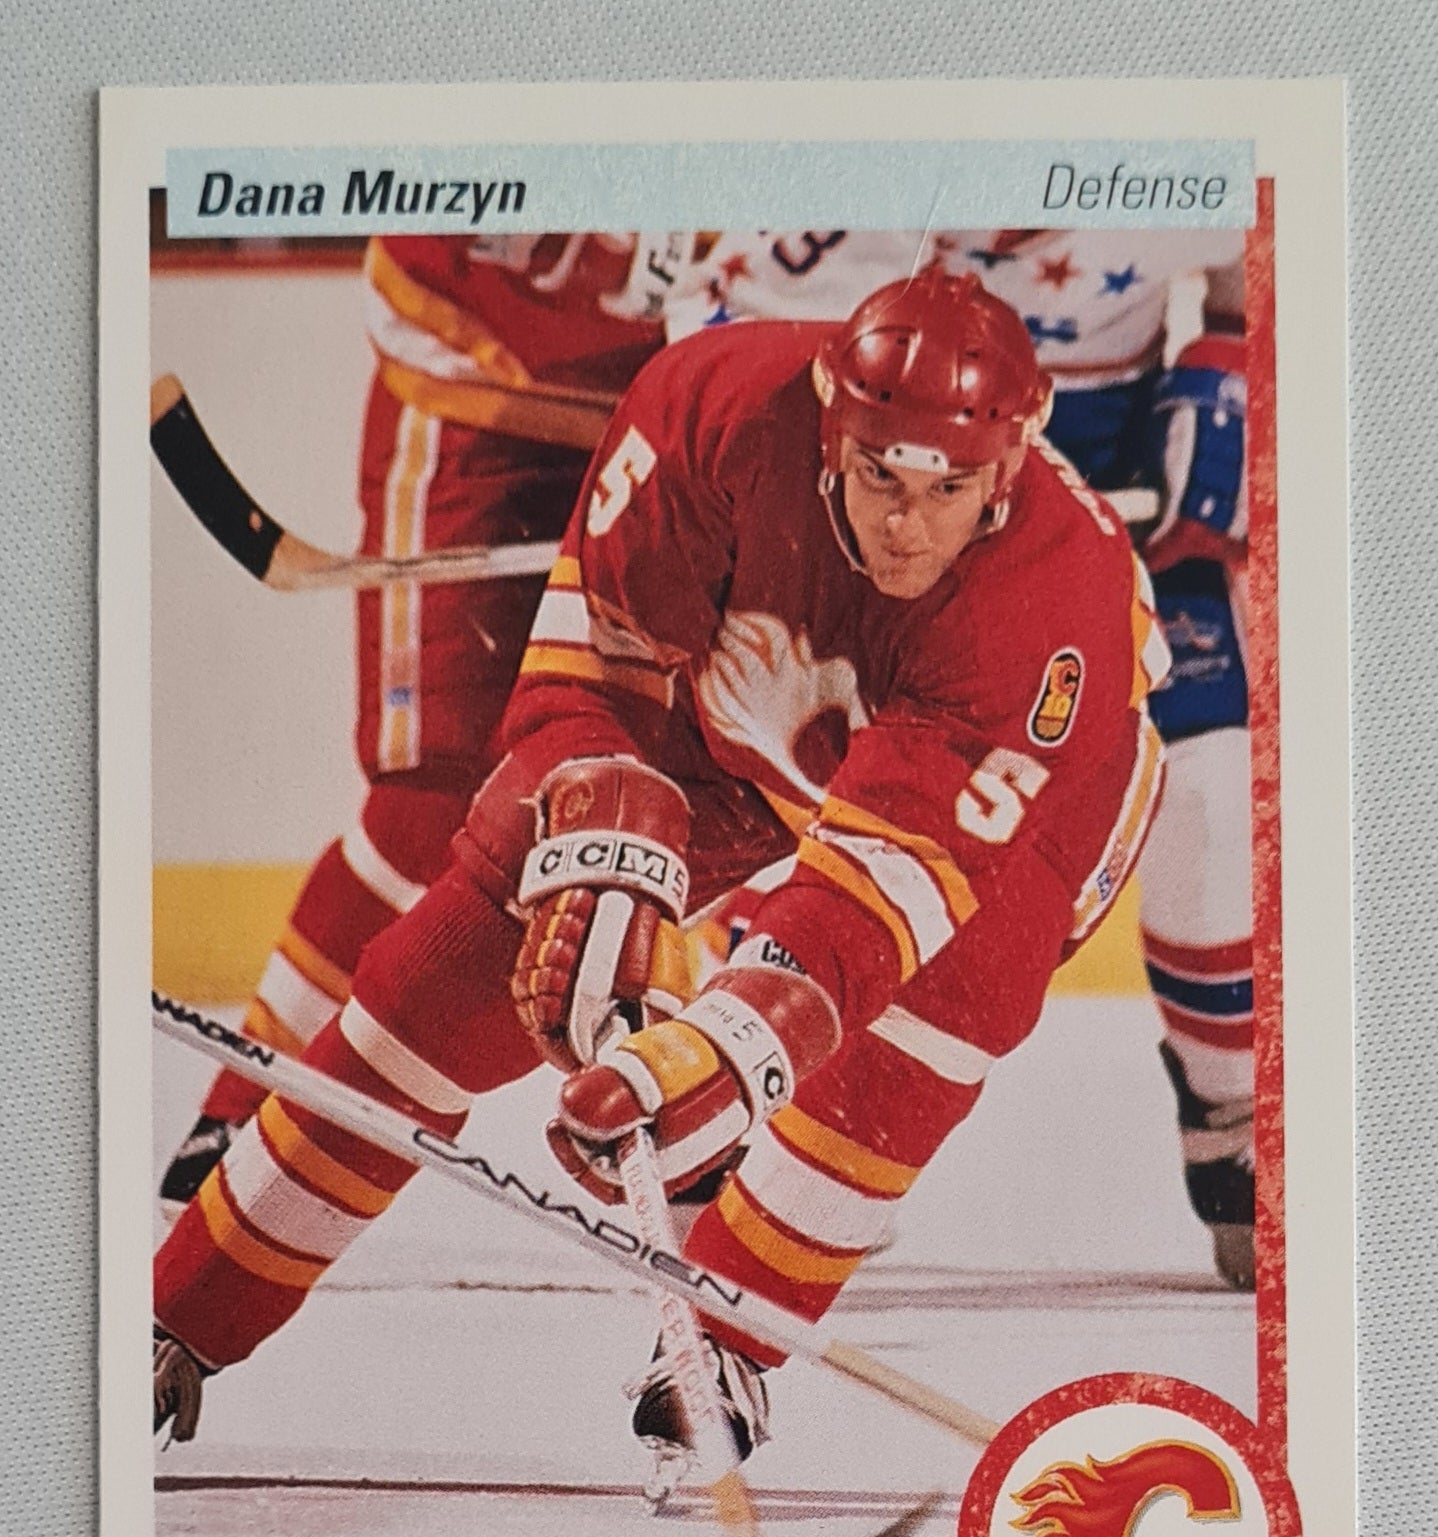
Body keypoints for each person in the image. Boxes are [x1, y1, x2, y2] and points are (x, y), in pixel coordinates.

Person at [153, 271, 1170, 1470]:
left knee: (936, 1019)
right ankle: (179, 1311)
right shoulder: (711, 407)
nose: (908, 523)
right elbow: (586, 680)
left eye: (947, 490)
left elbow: (855, 925)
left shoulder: (1050, 606)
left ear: (1005, 468)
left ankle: (728, 1332)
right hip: (744, 727)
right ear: (833, 426)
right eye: (881, 477)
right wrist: (604, 830)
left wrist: (709, 1060)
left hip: (1031, 811)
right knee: (453, 964)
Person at [671, 228, 1255, 1285]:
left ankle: (1234, 1114)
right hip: (876, 519)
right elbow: (716, 341)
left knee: (1213, 802)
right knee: (803, 772)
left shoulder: (1169, 152)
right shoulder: (851, 183)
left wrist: (1230, 379)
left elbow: (1267, 260)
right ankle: (789, 1094)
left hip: (1108, 514)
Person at [159, 231, 683, 1214]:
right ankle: (241, 1109)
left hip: (677, 423)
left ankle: (686, 1132)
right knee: (428, 803)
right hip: (476, 397)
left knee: (684, 778)